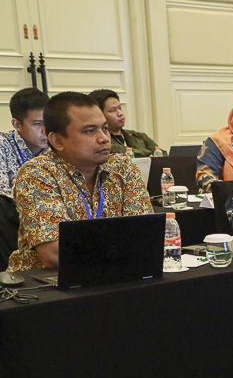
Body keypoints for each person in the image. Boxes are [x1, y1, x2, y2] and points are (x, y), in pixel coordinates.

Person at [7, 92, 152, 271]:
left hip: (115, 276)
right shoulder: (37, 174)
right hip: (46, 282)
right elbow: (54, 255)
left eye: (105, 128)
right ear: (57, 141)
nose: (104, 138)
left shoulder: (123, 167)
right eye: (90, 131)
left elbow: (147, 235)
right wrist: (120, 246)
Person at [0, 87, 48, 199]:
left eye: (49, 122)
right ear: (17, 125)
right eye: (38, 123)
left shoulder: (59, 148)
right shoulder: (3, 145)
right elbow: (2, 199)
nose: (46, 130)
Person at [89, 89, 159, 158]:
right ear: (99, 114)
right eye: (113, 110)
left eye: (120, 108)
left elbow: (161, 154)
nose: (120, 113)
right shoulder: (99, 140)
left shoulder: (139, 136)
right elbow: (115, 150)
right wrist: (148, 154)